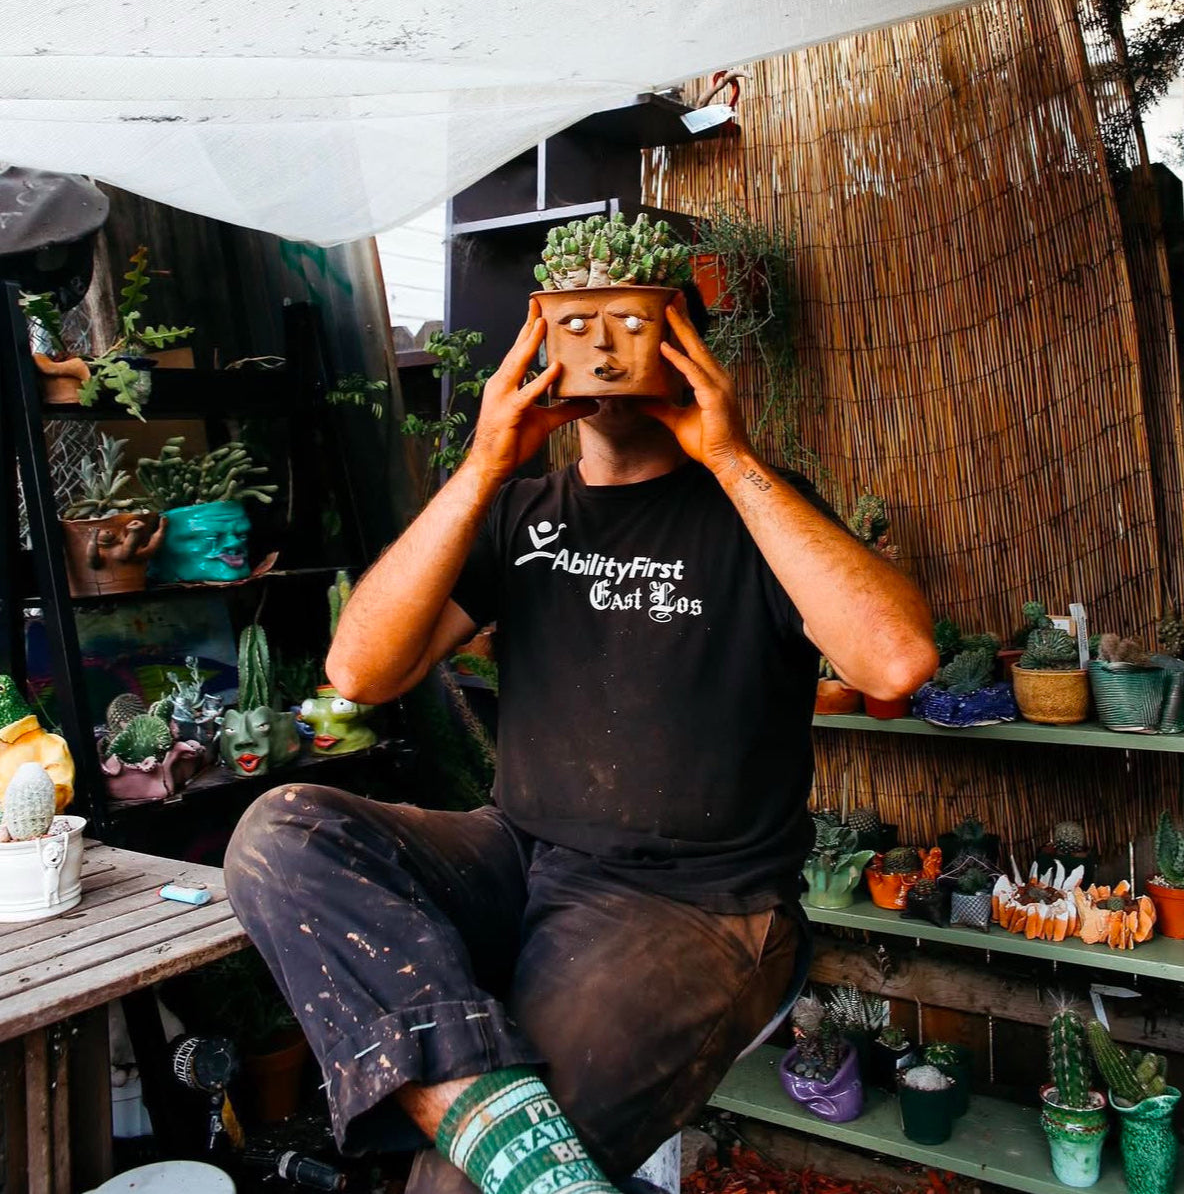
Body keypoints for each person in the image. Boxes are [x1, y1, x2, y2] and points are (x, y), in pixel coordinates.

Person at [224, 292, 936, 1194]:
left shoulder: (756, 507)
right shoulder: (519, 509)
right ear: (539, 347)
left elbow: (895, 660)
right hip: (516, 853)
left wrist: (729, 455)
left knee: (455, 1187)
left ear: (686, 350)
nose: (601, 346)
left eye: (633, 323)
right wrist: (483, 464)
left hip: (694, 902)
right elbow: (360, 671)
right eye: (575, 324)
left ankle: (485, 1144)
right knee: (283, 830)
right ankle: (491, 1122)